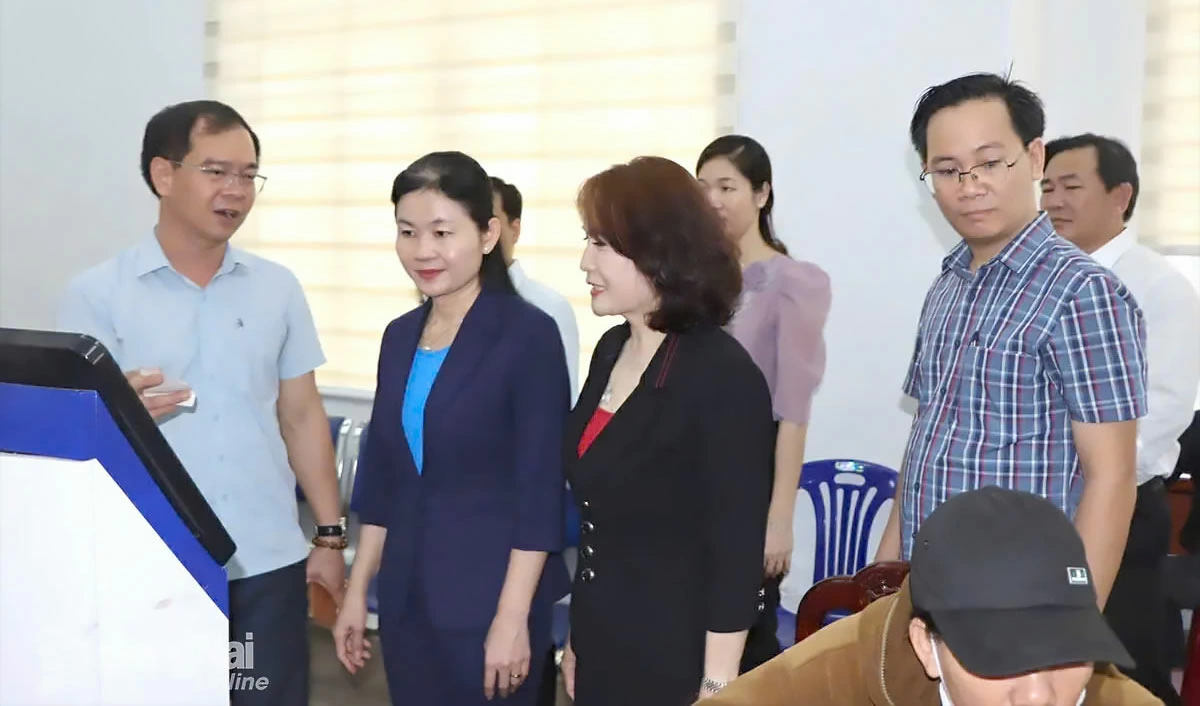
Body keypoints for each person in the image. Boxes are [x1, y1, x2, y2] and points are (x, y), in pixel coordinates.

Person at [57, 100, 344, 706]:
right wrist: (113, 416)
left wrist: (328, 536)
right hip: (152, 560)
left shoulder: (277, 288)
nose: (236, 191)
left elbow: (301, 415)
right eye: (216, 171)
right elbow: (74, 442)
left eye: (248, 174)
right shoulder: (97, 296)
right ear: (165, 175)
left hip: (266, 561)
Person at [875, 73, 1149, 612]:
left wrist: (1071, 630)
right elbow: (928, 438)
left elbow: (1112, 478)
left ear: (1035, 158)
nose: (969, 184)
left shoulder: (1083, 291)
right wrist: (884, 578)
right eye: (948, 170)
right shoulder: (948, 283)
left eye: (990, 162)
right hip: (928, 585)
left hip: (1021, 602)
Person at [332, 151, 571, 706]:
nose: (423, 251)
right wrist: (356, 590)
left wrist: (511, 621)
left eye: (443, 232)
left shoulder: (526, 336)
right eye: (407, 232)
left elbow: (539, 494)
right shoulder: (398, 337)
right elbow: (386, 479)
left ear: (488, 235)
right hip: (407, 598)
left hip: (490, 602)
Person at [560, 156, 776, 705]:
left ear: (661, 252)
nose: (585, 261)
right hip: (606, 639)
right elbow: (600, 524)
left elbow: (735, 552)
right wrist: (579, 641)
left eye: (603, 245)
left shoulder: (721, 376)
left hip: (682, 656)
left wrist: (717, 686)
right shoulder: (612, 350)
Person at [704, 486, 1162, 705]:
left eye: (1066, 654)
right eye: (1002, 659)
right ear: (926, 645)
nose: (1039, 696)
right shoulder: (828, 678)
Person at [1041, 132, 1200, 706]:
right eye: (1047, 186)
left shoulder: (1157, 286)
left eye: (1071, 186)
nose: (1053, 200)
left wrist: (1088, 475)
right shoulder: (1040, 278)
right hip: (1040, 507)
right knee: (1043, 658)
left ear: (1120, 196)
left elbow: (1164, 407)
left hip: (1122, 507)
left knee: (1118, 663)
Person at [697, 135, 832, 671]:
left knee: (742, 633)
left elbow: (793, 411)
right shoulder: (697, 281)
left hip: (747, 478)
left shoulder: (792, 282)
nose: (713, 200)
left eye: (727, 186)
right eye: (702, 187)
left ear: (762, 194)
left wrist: (779, 518)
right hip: (690, 476)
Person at [490, 176, 581, 401]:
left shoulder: (550, 308)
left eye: (492, 223)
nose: (484, 234)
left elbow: (562, 403)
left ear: (515, 230)